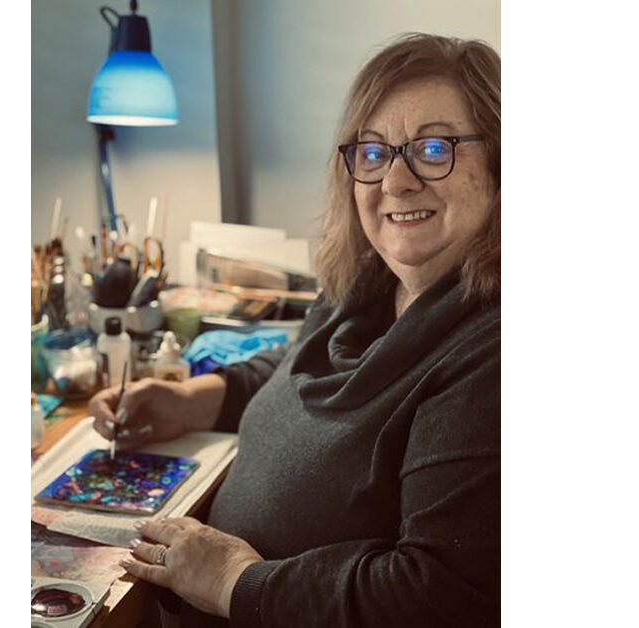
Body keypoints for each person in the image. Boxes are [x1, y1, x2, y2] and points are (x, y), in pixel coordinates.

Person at [89, 33, 501, 627]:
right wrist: (193, 401)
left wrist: (235, 580)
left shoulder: (489, 350)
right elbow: (292, 367)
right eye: (374, 152)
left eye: (434, 148)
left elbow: (439, 594)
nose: (395, 181)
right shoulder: (365, 286)